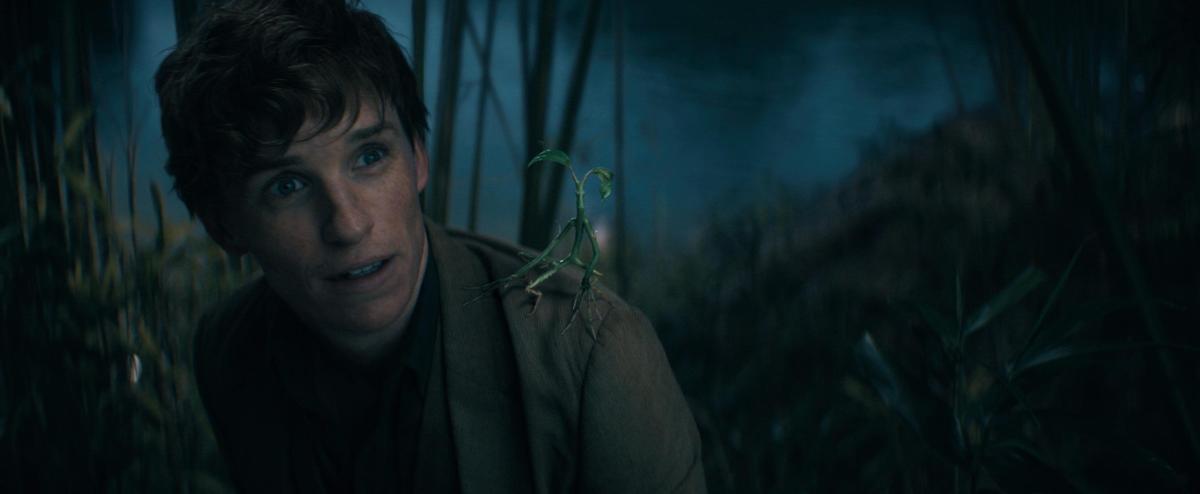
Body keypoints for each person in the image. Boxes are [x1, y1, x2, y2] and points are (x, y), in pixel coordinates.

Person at [154, 0, 706, 492]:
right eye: (287, 186)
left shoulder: (590, 358)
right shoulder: (229, 350)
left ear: (418, 157)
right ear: (224, 227)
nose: (348, 225)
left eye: (370, 156)